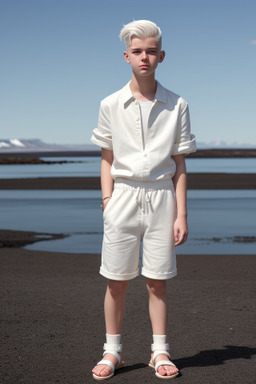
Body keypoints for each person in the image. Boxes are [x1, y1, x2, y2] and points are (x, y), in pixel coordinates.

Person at [90, 19, 196, 380]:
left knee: (157, 280)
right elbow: (106, 157)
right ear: (126, 56)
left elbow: (179, 163)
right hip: (122, 198)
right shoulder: (109, 104)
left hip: (162, 198)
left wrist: (181, 214)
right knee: (116, 280)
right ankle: (112, 351)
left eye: (151, 51)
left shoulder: (177, 104)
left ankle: (160, 351)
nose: (144, 57)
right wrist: (107, 199)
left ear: (161, 55)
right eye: (137, 52)